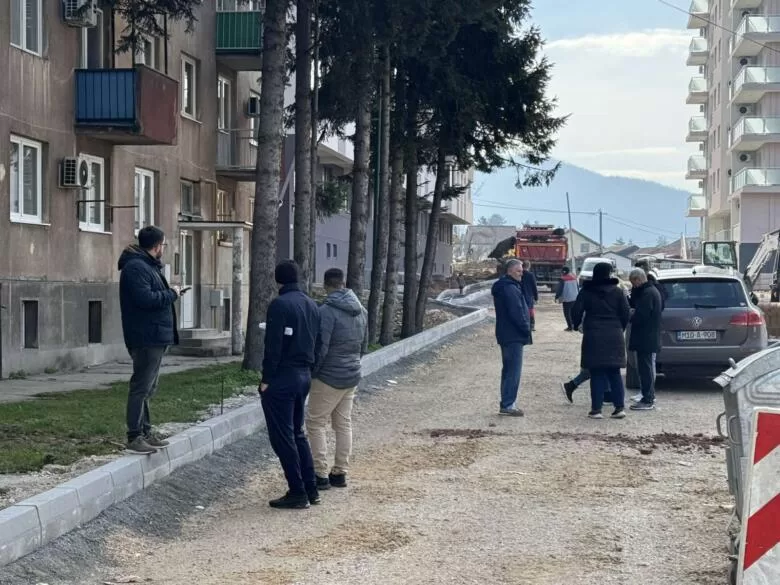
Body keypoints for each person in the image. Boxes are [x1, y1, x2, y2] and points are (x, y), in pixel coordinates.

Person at [260, 260, 321, 509]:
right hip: (304, 373)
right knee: (298, 433)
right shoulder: (311, 304)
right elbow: (318, 341)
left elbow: (273, 346)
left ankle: (297, 491)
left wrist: (266, 379)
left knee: (282, 436)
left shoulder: (280, 305)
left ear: (278, 280)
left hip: (283, 376)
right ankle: (311, 487)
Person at [118, 226, 182, 454]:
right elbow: (145, 299)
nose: (163, 249)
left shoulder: (146, 266)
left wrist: (171, 293)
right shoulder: (136, 267)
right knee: (141, 387)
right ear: (156, 246)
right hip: (146, 335)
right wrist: (172, 294)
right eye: (163, 245)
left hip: (154, 334)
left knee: (149, 387)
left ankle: (145, 431)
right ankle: (134, 436)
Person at [307, 268, 368, 490]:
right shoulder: (361, 310)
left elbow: (321, 347)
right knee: (343, 424)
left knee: (315, 423)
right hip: (351, 374)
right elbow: (364, 345)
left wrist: (314, 371)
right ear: (343, 283)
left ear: (326, 285)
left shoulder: (326, 311)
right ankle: (340, 473)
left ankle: (319, 473)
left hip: (328, 375)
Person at [571, 262, 631, 419]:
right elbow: (625, 313)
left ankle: (596, 410)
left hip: (593, 335)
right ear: (609, 274)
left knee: (597, 372)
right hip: (614, 334)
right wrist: (620, 328)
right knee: (614, 373)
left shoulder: (586, 291)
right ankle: (619, 408)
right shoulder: (618, 292)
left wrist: (576, 325)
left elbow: (576, 310)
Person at [491, 259, 532, 416]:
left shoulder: (506, 286)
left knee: (508, 369)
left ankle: (507, 402)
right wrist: (525, 328)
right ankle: (509, 404)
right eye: (518, 271)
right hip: (513, 334)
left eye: (522, 271)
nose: (521, 273)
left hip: (505, 333)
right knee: (513, 370)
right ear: (509, 271)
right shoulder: (510, 289)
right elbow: (517, 311)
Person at [627, 268, 663, 411]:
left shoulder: (647, 294)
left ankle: (648, 399)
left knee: (645, 369)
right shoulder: (651, 291)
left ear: (638, 279)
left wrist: (631, 314)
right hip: (648, 336)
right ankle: (648, 396)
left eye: (633, 282)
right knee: (645, 368)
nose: (633, 286)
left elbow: (641, 316)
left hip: (646, 337)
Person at [555, 266, 579, 331]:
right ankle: (574, 325)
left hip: (567, 298)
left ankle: (570, 327)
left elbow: (559, 289)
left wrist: (556, 297)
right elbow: (577, 287)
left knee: (567, 313)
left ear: (563, 272)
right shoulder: (574, 278)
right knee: (573, 312)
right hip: (575, 298)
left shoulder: (563, 279)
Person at [521, 261, 539, 332]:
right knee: (530, 311)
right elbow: (534, 286)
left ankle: (524, 325)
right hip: (529, 296)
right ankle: (531, 326)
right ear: (529, 266)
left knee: (522, 311)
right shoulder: (530, 275)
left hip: (520, 295)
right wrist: (536, 297)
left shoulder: (520, 274)